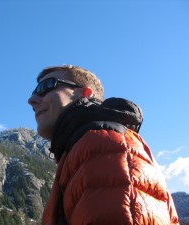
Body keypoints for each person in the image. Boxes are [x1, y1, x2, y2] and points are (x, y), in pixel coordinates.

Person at [28, 65, 179, 225]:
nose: (32, 100)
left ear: (84, 93)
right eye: (33, 93)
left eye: (45, 87)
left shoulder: (101, 143)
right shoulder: (83, 148)